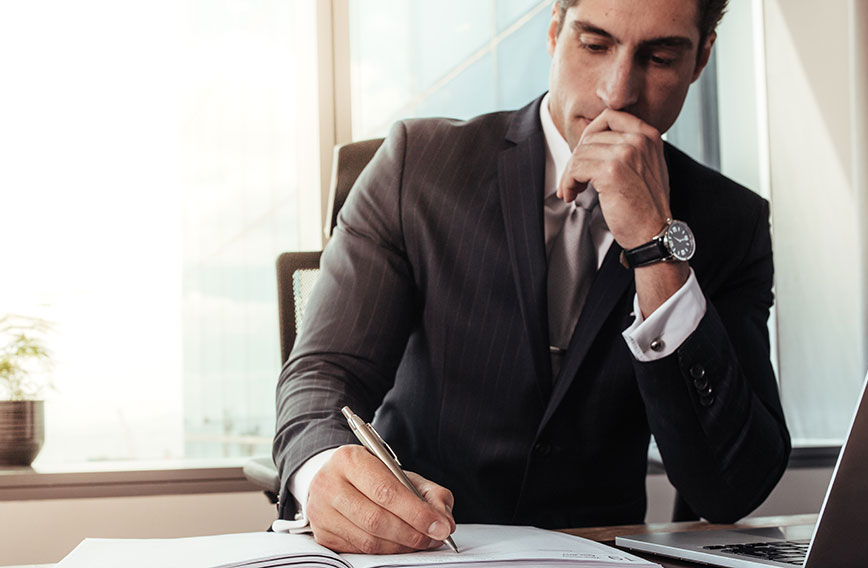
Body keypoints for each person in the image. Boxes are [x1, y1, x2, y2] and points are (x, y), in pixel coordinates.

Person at [273, 0, 790, 555]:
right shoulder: (416, 166)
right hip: (422, 550)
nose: (617, 93)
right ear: (553, 31)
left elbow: (733, 486)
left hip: (597, 556)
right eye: (594, 45)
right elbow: (323, 375)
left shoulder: (730, 223)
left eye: (660, 57)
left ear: (701, 58)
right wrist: (321, 472)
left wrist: (655, 247)